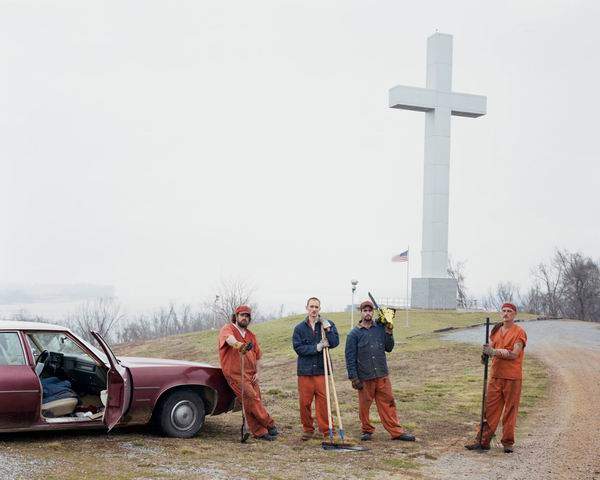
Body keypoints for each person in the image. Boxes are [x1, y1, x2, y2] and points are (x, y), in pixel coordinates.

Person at [345, 299, 415, 442]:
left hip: (382, 374)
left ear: (373, 312)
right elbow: (350, 357)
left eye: (370, 310)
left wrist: (389, 331)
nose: (368, 313)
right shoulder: (354, 334)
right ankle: (367, 430)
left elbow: (389, 348)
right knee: (364, 406)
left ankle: (396, 432)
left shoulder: (380, 328)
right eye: (365, 311)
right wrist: (354, 377)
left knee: (388, 403)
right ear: (361, 313)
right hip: (365, 377)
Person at [465, 302, 527, 453]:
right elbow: (490, 348)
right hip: (496, 375)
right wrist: (485, 355)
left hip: (512, 377)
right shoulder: (496, 330)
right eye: (504, 311)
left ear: (514, 314)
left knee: (510, 410)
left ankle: (508, 442)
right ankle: (483, 440)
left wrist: (494, 352)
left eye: (509, 311)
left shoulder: (520, 332)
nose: (506, 314)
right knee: (490, 409)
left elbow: (514, 354)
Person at [218, 305, 278, 441]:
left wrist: (258, 372)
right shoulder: (228, 328)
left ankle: (260, 433)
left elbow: (258, 356)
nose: (244, 318)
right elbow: (229, 340)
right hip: (236, 374)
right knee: (251, 398)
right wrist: (240, 345)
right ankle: (269, 424)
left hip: (252, 374)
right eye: (242, 315)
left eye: (247, 316)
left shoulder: (251, 335)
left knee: (253, 401)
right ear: (236, 316)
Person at [292, 297, 340, 440]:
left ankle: (326, 429)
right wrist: (317, 347)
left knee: (323, 402)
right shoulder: (299, 328)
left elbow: (335, 342)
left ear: (320, 309)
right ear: (307, 308)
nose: (314, 309)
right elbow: (298, 348)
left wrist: (328, 330)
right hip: (305, 372)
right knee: (305, 403)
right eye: (311, 306)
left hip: (321, 370)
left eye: (316, 307)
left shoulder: (327, 324)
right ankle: (308, 429)